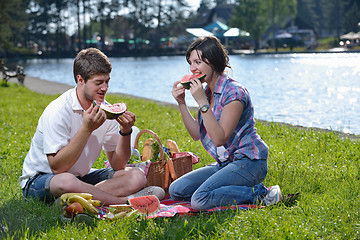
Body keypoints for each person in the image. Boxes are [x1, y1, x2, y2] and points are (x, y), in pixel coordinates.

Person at [19, 48, 165, 205]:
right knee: (66, 182)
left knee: (137, 176)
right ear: (80, 79)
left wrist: (126, 131)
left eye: (107, 81)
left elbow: (118, 164)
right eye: (98, 83)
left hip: (81, 177)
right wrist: (86, 129)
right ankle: (125, 201)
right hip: (41, 180)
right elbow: (58, 168)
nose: (105, 88)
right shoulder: (58, 110)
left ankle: (72, 200)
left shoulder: (105, 110)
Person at [169, 36, 283, 211]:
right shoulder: (208, 91)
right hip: (226, 163)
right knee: (176, 190)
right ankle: (227, 189)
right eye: (190, 63)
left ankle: (262, 194)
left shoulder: (234, 93)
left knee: (199, 200)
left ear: (213, 62)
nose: (192, 68)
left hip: (250, 162)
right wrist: (181, 102)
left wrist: (201, 102)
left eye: (197, 62)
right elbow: (196, 134)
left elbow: (219, 138)